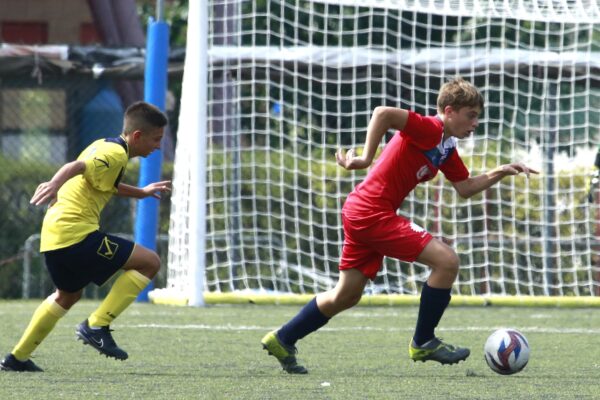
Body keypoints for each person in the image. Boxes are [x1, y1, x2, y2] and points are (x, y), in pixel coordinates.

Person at [261, 77, 538, 374]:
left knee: (346, 295)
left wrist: (501, 171)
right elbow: (383, 113)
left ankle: (283, 338)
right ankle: (423, 341)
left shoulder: (444, 147)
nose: (475, 123)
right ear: (449, 111)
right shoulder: (430, 127)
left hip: (363, 211)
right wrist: (366, 157)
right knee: (447, 261)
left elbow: (466, 187)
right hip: (372, 212)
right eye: (471, 115)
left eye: (477, 117)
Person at [0, 101, 171, 372]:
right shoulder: (114, 153)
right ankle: (97, 325)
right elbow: (77, 166)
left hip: (54, 236)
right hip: (76, 234)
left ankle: (17, 358)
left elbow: (104, 183)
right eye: (156, 139)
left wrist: (142, 192)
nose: (158, 146)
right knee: (150, 262)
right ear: (137, 136)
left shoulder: (105, 145)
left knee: (66, 296)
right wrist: (55, 182)